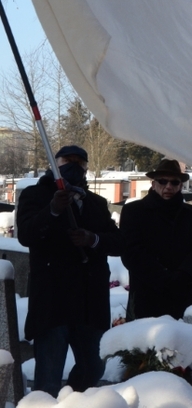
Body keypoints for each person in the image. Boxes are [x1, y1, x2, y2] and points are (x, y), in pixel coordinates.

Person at [16, 145, 123, 396]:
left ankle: (72, 400)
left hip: (89, 302)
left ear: (86, 167)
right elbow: (27, 235)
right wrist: (52, 210)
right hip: (53, 301)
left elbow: (118, 241)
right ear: (56, 163)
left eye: (80, 162)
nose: (73, 166)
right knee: (48, 376)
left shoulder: (95, 202)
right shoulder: (36, 194)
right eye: (67, 160)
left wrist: (92, 239)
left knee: (93, 369)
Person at [119, 159, 192, 320]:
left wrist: (184, 275)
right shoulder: (134, 212)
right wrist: (161, 277)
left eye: (174, 182)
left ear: (181, 186)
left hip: (184, 293)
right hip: (147, 295)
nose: (168, 186)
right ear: (153, 184)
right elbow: (131, 251)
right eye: (162, 181)